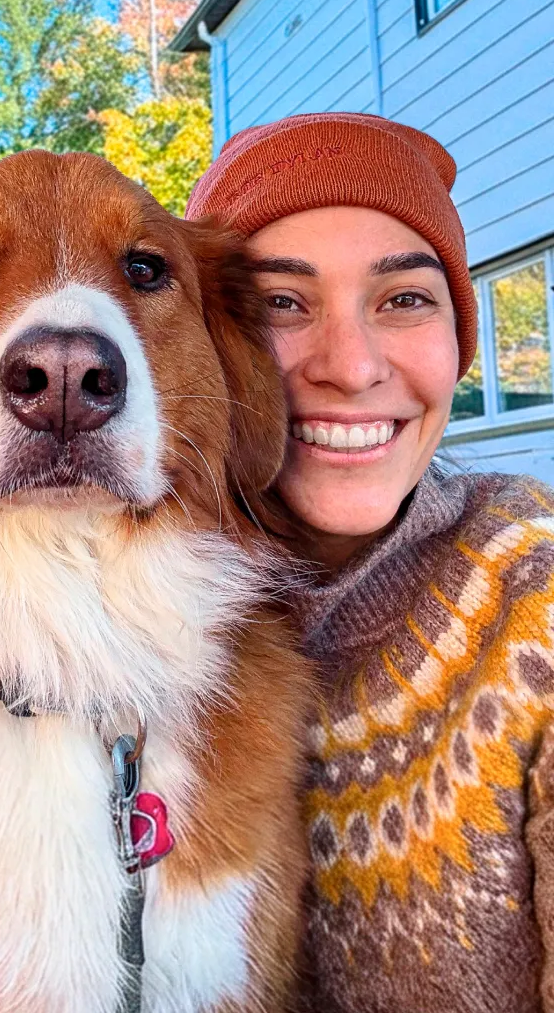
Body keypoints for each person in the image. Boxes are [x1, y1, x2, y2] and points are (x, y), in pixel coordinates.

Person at [187, 113, 554, 1013]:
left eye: (405, 299)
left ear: (460, 342)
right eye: (281, 303)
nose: (351, 368)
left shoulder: (532, 595)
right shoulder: (115, 622)